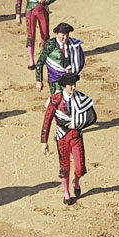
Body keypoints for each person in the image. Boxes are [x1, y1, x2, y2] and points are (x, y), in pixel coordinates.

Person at [40, 73, 96, 205]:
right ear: (64, 86)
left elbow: (93, 117)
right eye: (71, 85)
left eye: (74, 84)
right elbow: (47, 120)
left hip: (76, 136)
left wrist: (78, 123)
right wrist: (44, 141)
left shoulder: (80, 98)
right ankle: (66, 194)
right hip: (62, 137)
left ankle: (76, 181)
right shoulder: (56, 100)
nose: (73, 87)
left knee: (80, 168)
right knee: (64, 167)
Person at [16, 0, 58, 69]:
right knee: (31, 36)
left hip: (42, 10)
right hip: (30, 11)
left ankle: (43, 55)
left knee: (45, 35)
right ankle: (31, 59)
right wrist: (18, 14)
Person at [34, 22, 85, 95]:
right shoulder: (50, 45)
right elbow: (40, 62)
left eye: (67, 35)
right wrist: (39, 80)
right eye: (63, 35)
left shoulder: (73, 45)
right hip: (55, 78)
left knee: (69, 99)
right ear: (57, 34)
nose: (65, 38)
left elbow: (79, 60)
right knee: (57, 99)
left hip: (69, 79)